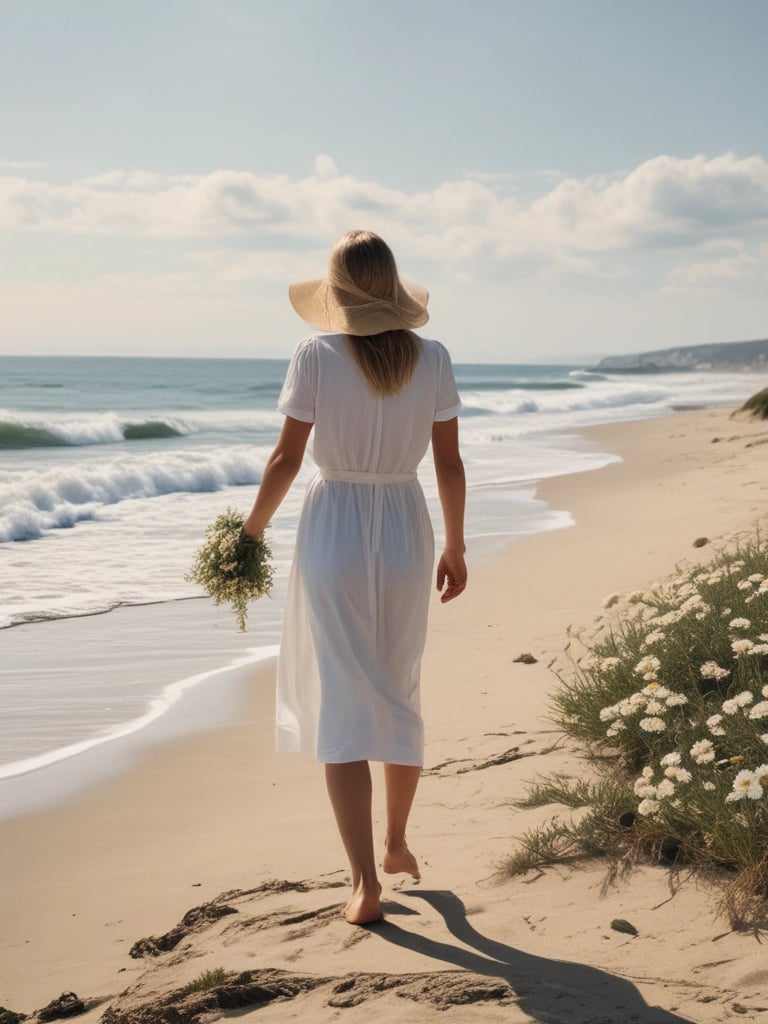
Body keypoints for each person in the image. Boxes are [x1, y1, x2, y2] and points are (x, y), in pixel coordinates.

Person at [243, 230, 466, 925]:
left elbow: (285, 459)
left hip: (335, 523)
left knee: (344, 699)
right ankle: (397, 843)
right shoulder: (431, 358)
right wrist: (456, 546)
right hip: (406, 521)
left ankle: (364, 883)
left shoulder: (316, 353)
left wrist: (247, 535)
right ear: (394, 289)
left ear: (337, 294)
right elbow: (450, 465)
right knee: (398, 687)